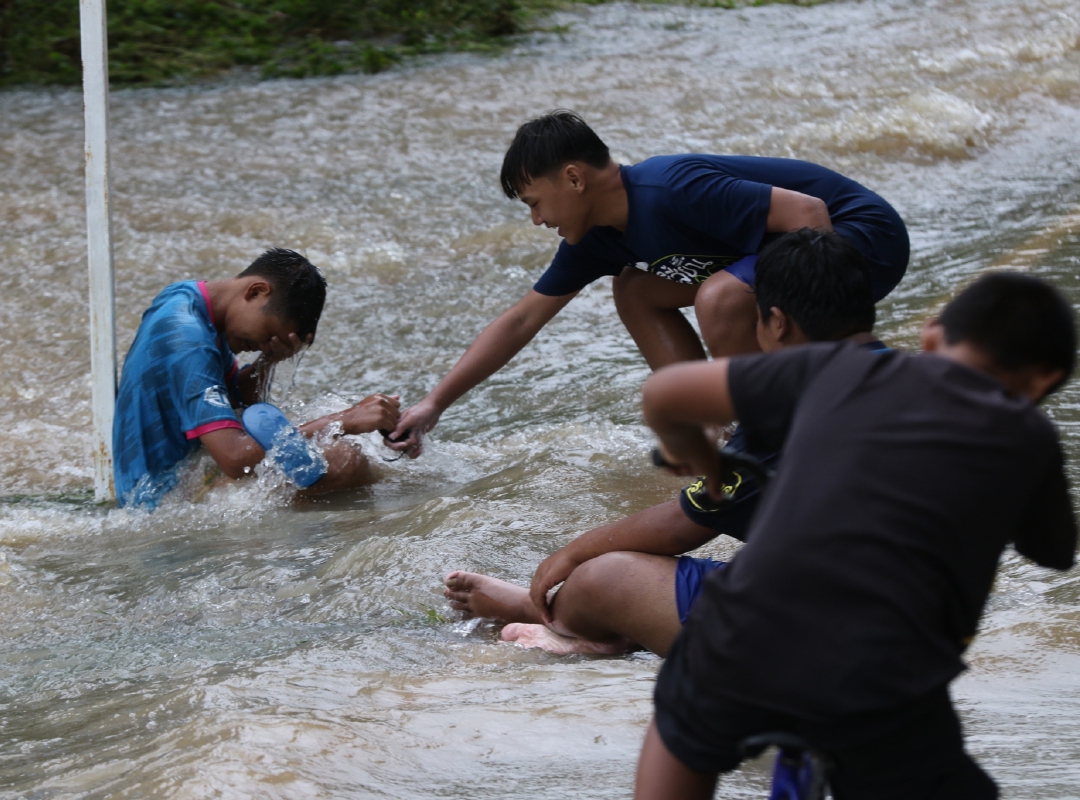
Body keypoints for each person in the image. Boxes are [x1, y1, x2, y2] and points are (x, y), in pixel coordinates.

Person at [635, 271, 1077, 800]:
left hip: (738, 643)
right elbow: (1053, 553)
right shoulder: (1028, 436)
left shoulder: (833, 368)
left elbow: (664, 394)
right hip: (882, 684)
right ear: (1042, 381)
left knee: (682, 730)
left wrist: (706, 467)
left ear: (932, 336)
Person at [444, 230, 889, 657]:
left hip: (821, 631)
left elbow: (685, 524)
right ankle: (602, 623)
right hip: (922, 608)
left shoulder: (787, 398)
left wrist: (570, 555)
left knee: (602, 576)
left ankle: (564, 618)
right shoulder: (928, 380)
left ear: (776, 322)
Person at [388, 110, 908, 457]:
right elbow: (522, 319)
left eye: (534, 202)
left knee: (722, 297)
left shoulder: (673, 188)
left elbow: (810, 212)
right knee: (636, 290)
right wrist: (435, 404)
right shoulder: (595, 239)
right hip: (788, 254)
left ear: (574, 178)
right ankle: (714, 424)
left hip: (861, 238)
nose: (537, 220)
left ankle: (763, 433)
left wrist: (808, 328)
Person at [113, 247, 400, 508]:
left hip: (173, 478)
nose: (265, 345)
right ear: (256, 292)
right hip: (162, 502)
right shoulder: (189, 343)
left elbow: (240, 407)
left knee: (337, 454)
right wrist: (345, 419)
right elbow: (235, 459)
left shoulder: (185, 297)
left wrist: (269, 360)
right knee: (344, 461)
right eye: (269, 335)